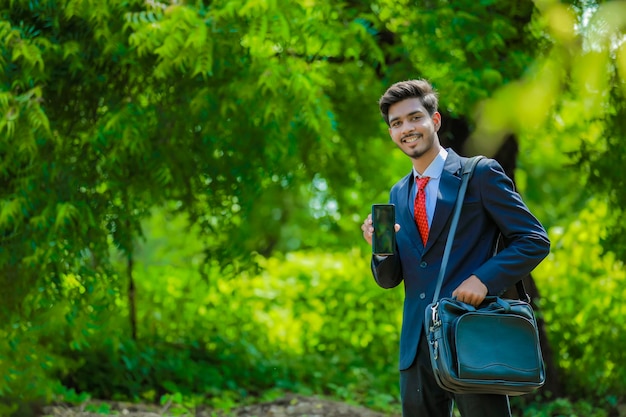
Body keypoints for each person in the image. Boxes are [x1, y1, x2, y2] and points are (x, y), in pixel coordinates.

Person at [360, 79, 550, 417]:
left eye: (414, 117)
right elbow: (391, 279)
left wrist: (484, 279)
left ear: (434, 121)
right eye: (396, 123)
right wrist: (380, 250)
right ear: (391, 133)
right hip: (417, 347)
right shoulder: (397, 194)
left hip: (471, 334)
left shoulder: (479, 174)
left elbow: (534, 239)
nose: (406, 128)